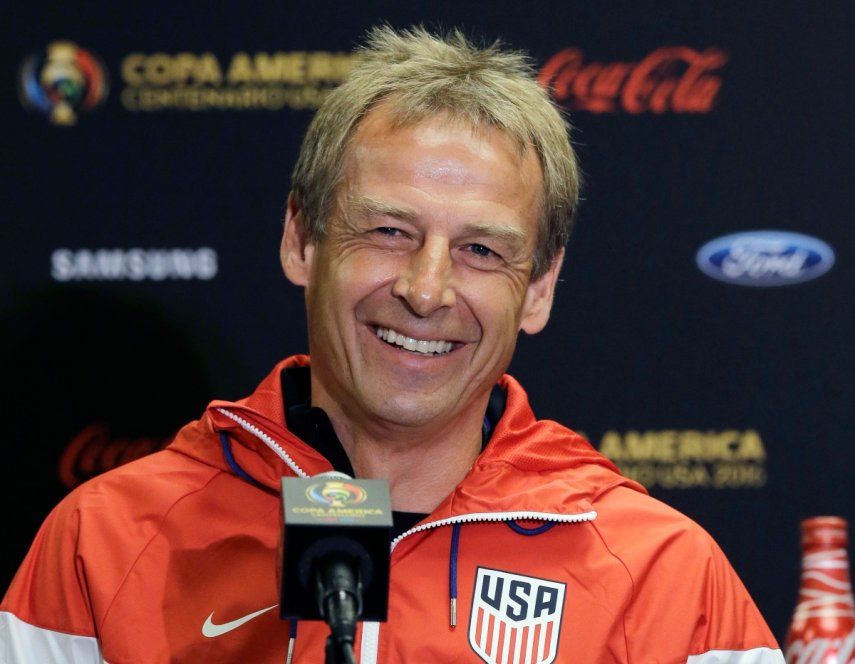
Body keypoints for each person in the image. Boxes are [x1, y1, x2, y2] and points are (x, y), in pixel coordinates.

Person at [1, 26, 783, 663]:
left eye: (481, 250)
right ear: (301, 240)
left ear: (539, 288)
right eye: (387, 231)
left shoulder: (661, 577)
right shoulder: (104, 542)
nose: (426, 287)